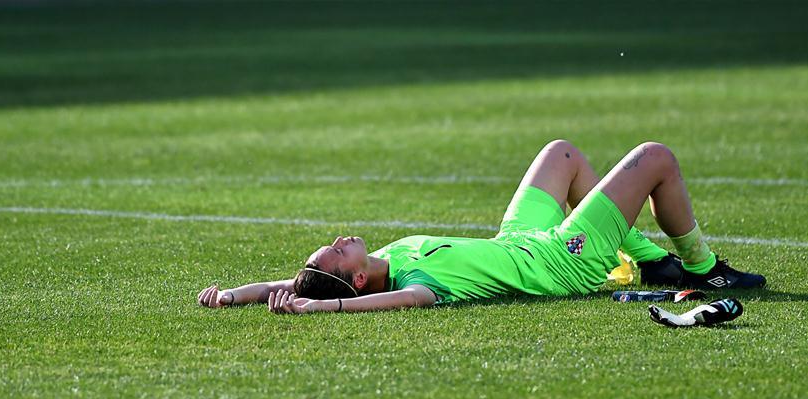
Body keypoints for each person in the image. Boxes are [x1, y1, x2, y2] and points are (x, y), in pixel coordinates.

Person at [197, 140, 766, 315]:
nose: (341, 240)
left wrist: (231, 295)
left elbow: (291, 282)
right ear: (357, 282)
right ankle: (703, 269)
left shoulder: (389, 256)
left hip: (517, 241)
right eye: (336, 254)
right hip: (557, 262)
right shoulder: (415, 283)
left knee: (561, 155)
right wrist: (324, 309)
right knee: (655, 157)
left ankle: (647, 256)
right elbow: (403, 303)